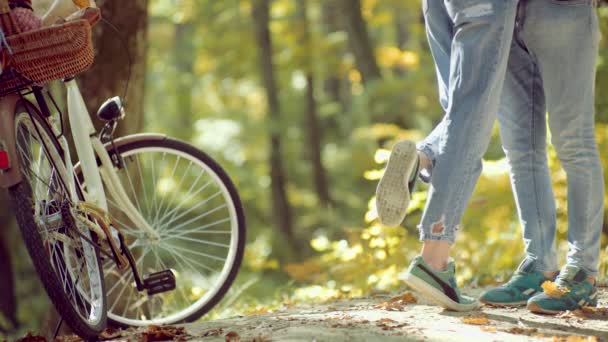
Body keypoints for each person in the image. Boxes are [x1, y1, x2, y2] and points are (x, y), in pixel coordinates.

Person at [376, 0, 603, 313]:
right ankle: (540, 265)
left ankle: (583, 271)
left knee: (573, 142)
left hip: (561, 9)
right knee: (521, 148)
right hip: (509, 16)